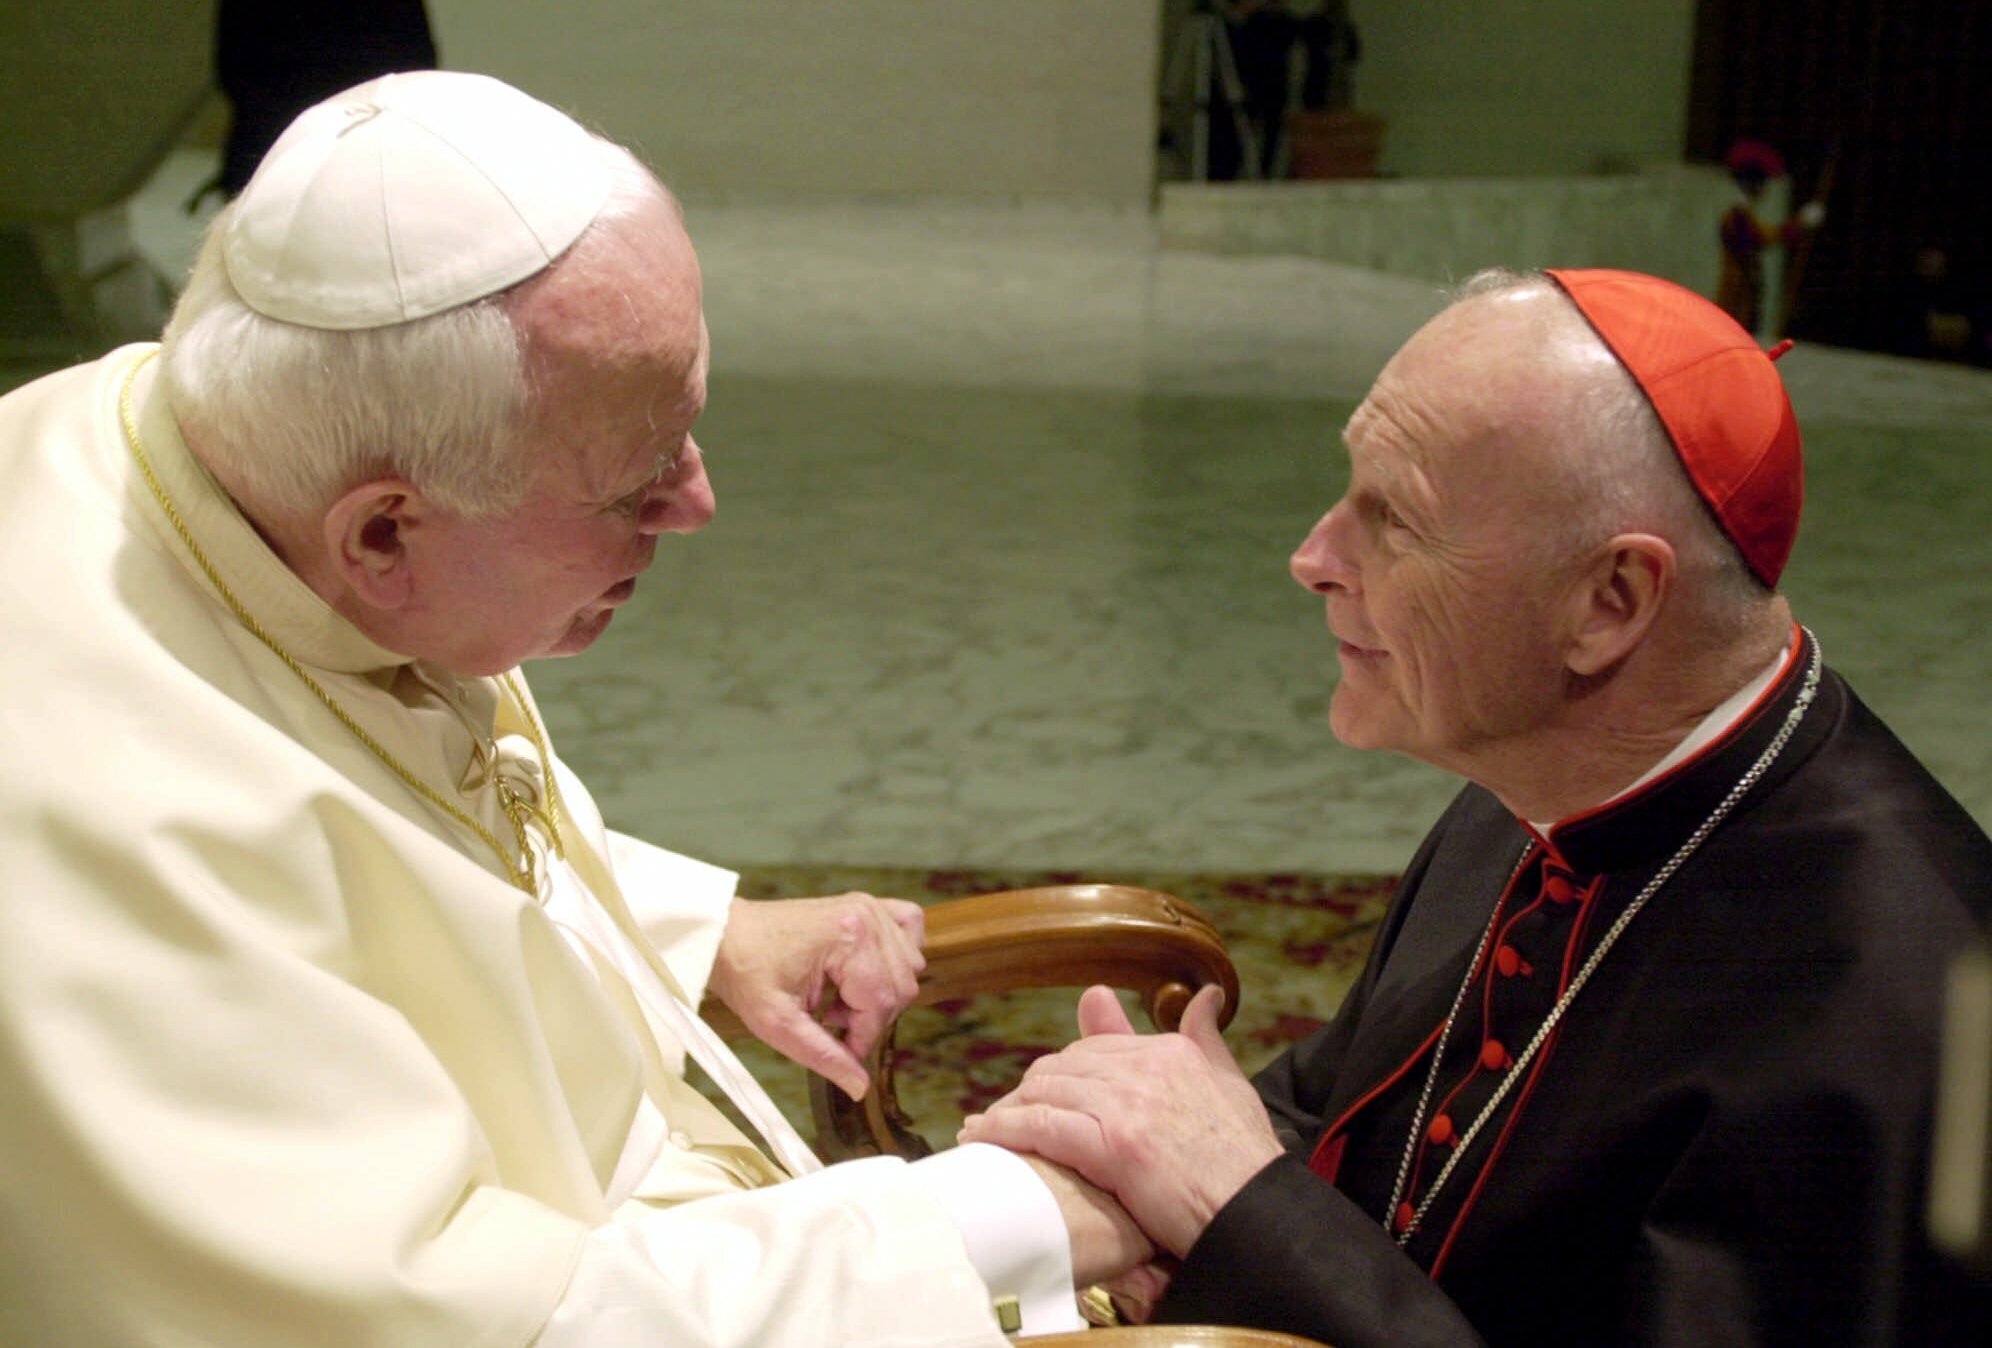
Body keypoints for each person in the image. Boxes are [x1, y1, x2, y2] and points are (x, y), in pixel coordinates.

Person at [0, 71, 1150, 1346]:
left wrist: (696, 935)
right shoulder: (92, 837)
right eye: (633, 481)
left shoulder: (198, 446)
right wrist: (1004, 1217)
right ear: (384, 531)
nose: (697, 504)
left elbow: (376, 809)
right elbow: (461, 1323)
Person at [962, 267, 1992, 1345]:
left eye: (1394, 518)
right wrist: (1136, 1156)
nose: (1312, 558)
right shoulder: (1550, 763)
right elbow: (1344, 1111)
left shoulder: (1889, 1009)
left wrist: (1238, 1214)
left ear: (1611, 602)